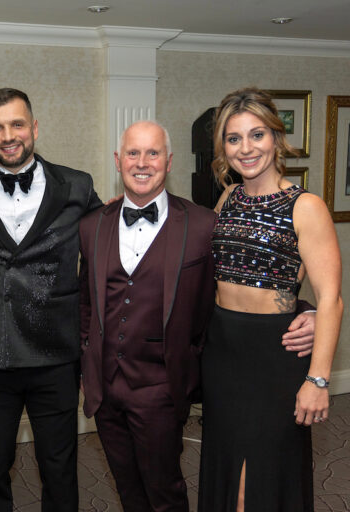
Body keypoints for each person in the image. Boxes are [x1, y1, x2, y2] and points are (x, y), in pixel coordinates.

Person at [78, 120, 317, 512]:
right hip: (105, 388)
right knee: (127, 489)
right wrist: (87, 361)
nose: (142, 162)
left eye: (152, 153)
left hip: (161, 385)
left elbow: (243, 281)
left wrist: (306, 311)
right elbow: (86, 302)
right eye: (133, 154)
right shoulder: (92, 225)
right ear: (118, 161)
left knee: (165, 491)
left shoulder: (204, 224)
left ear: (168, 161)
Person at [0, 88, 103, 511]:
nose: (7, 135)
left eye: (16, 124)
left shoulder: (77, 185)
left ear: (34, 128)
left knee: (59, 466)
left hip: (56, 353)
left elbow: (112, 249)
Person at [199, 88, 343, 512]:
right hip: (223, 352)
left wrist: (318, 380)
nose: (246, 148)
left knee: (259, 475)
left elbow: (331, 298)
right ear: (223, 147)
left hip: (275, 357)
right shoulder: (227, 199)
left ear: (277, 138)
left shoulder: (306, 206)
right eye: (234, 138)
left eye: (256, 134)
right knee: (226, 465)